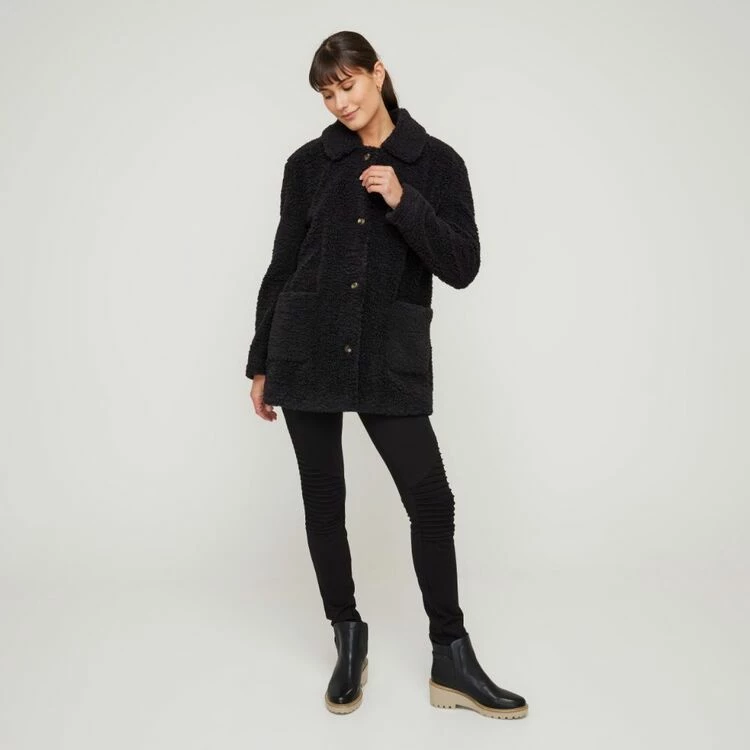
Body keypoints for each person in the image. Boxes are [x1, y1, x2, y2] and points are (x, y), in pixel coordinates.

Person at [245, 30, 528, 719]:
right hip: (306, 345)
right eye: (326, 94)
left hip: (386, 352)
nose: (340, 103)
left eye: (348, 85)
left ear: (378, 73)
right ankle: (348, 635)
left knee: (430, 499)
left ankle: (450, 655)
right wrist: (260, 359)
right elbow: (284, 261)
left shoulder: (437, 163)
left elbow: (462, 265)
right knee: (324, 499)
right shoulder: (307, 165)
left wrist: (405, 200)